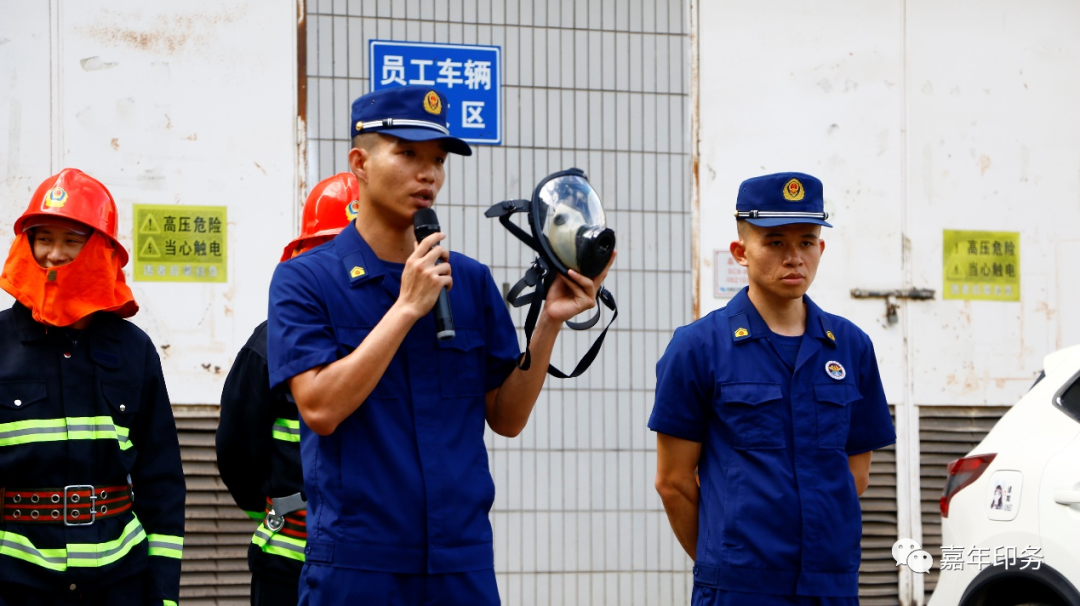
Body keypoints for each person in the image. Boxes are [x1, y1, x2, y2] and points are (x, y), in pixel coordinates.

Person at [267, 85, 613, 605]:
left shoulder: (469, 281)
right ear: (360, 164)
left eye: (437, 160)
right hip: (359, 565)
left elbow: (507, 418)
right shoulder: (306, 280)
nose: (427, 174)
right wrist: (406, 308)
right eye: (407, 154)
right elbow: (319, 409)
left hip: (459, 563)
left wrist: (548, 324)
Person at [650, 172, 896, 605]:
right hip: (740, 590)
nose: (794, 258)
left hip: (830, 588)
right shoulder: (699, 347)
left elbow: (855, 476)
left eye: (806, 242)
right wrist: (723, 566)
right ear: (741, 252)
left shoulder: (851, 346)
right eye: (775, 242)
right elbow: (673, 482)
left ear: (821, 249)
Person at [0, 168, 185, 605]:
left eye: (72, 240)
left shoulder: (134, 350)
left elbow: (161, 481)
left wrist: (163, 594)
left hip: (119, 582)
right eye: (43, 238)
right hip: (17, 583)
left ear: (101, 250)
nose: (54, 254)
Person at [216, 172, 358, 606]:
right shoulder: (268, 344)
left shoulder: (400, 338)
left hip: (375, 564)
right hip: (287, 565)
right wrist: (284, 508)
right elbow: (237, 452)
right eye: (328, 251)